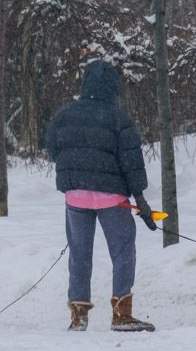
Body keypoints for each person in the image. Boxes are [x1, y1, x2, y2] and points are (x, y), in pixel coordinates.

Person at [46, 60, 157, 332]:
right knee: (122, 252)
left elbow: (51, 148)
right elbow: (131, 162)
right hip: (112, 198)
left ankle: (78, 315)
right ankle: (121, 313)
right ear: (112, 87)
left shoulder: (64, 115)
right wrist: (140, 197)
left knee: (79, 255)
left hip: (76, 196)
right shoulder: (119, 118)